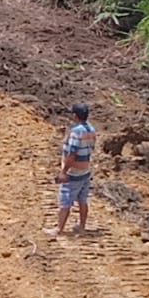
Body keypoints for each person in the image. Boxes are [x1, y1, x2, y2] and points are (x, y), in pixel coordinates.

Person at [45, 102, 97, 237]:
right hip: (85, 170)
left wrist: (64, 172)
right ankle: (82, 226)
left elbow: (72, 153)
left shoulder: (76, 132)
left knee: (65, 200)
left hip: (73, 172)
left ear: (75, 115)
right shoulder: (91, 129)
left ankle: (59, 228)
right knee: (83, 200)